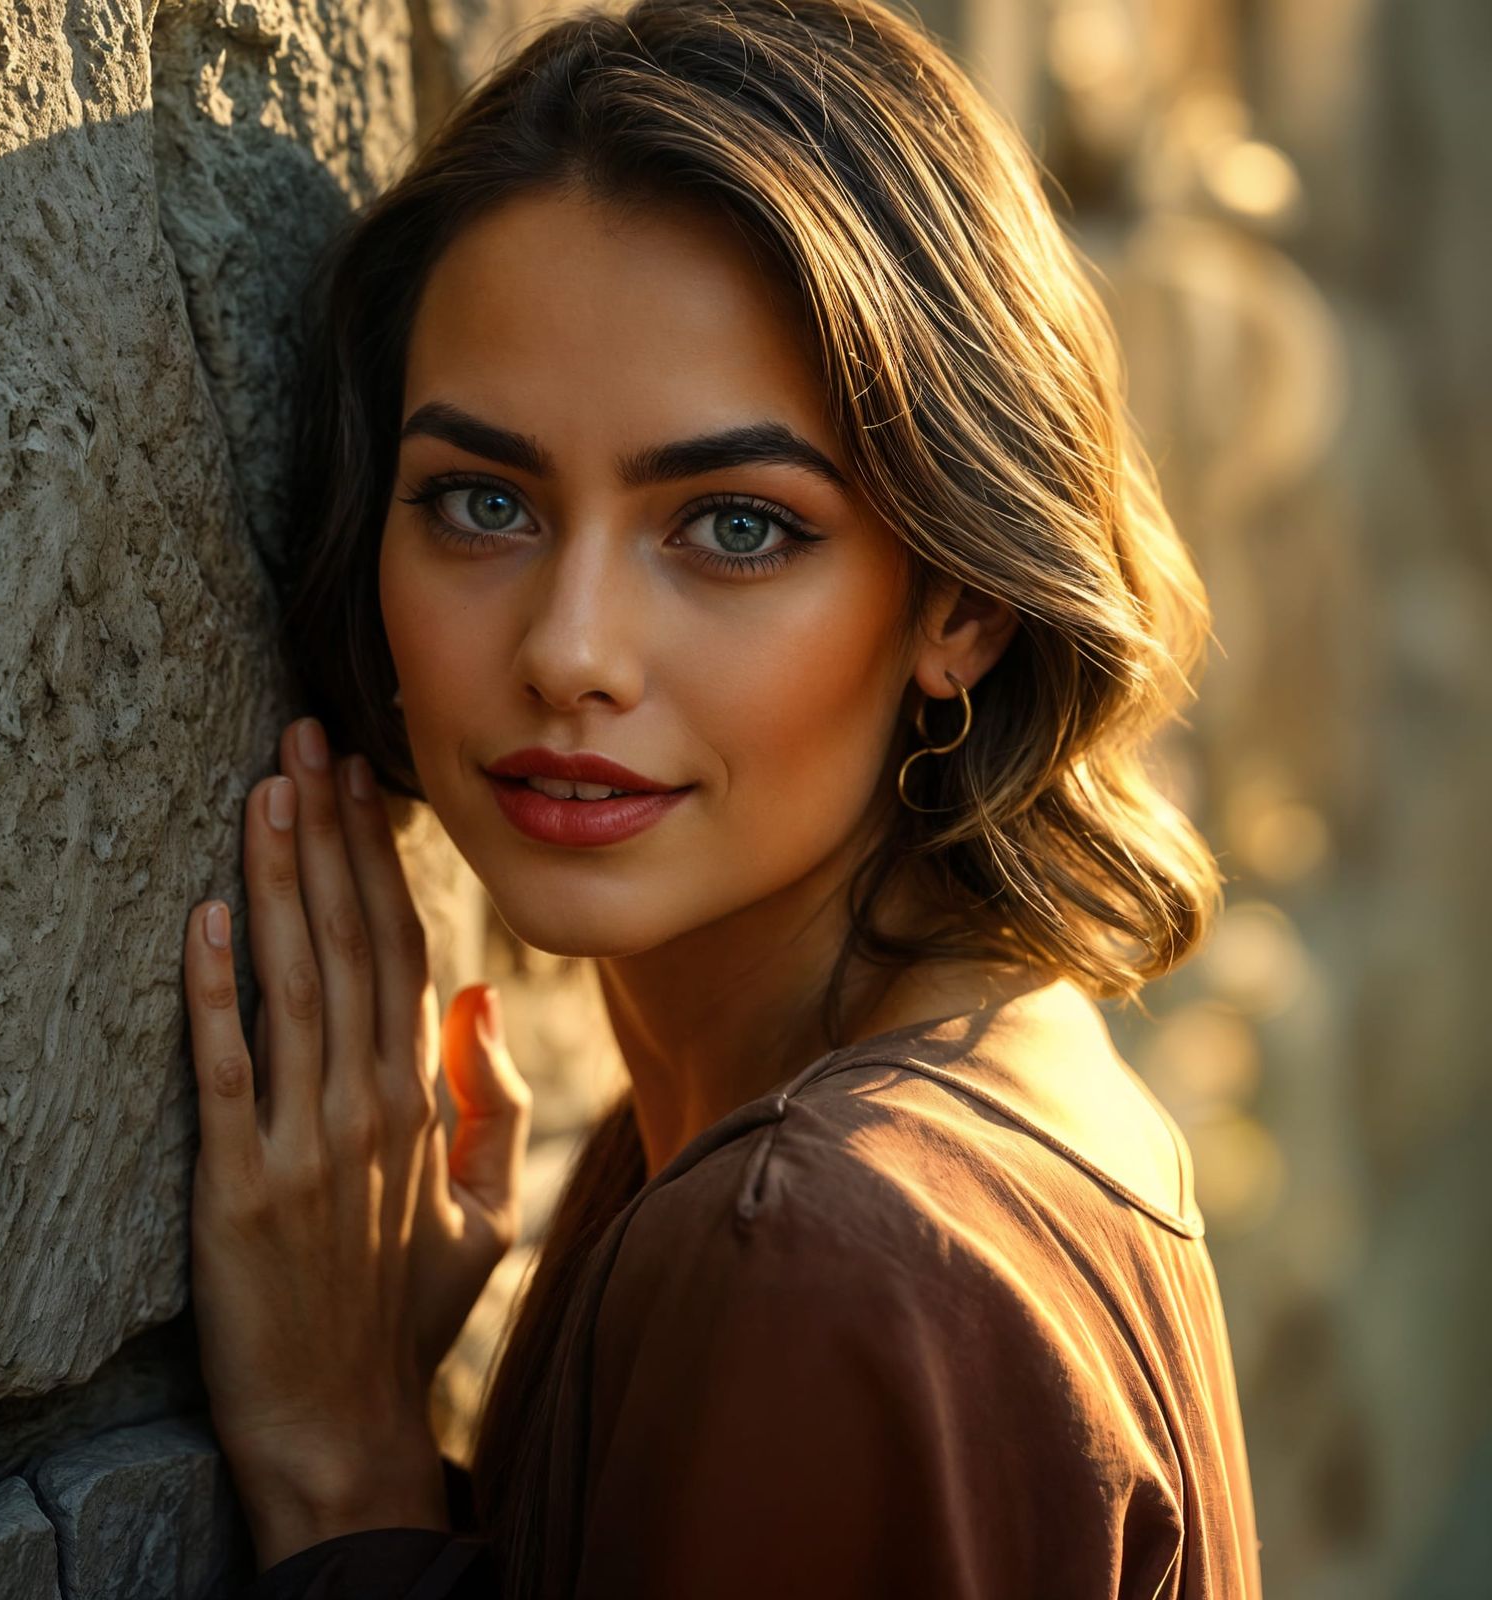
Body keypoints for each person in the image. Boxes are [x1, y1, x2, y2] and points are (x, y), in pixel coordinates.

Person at [179, 0, 1264, 1594]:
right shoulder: (940, 1100)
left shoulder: (821, 1239)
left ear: (963, 602)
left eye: (737, 527)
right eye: (481, 502)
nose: (569, 651)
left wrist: (342, 1464)